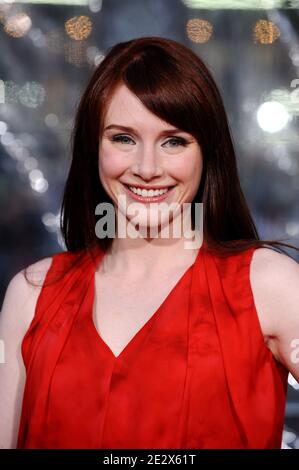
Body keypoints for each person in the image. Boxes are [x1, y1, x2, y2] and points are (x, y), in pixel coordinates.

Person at [0, 36, 299, 450]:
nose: (146, 168)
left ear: (207, 153)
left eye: (174, 141)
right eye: (123, 138)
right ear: (94, 147)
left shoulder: (269, 286)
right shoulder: (31, 295)